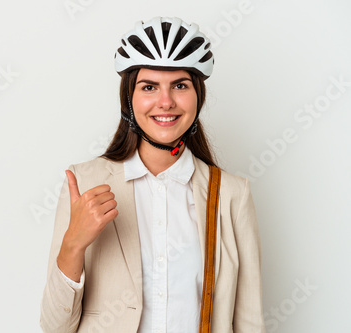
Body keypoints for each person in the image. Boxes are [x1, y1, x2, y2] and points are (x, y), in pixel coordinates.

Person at [40, 17, 265, 333]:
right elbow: (54, 327)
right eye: (149, 87)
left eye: (180, 85)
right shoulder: (86, 182)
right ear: (129, 99)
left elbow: (249, 321)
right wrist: (73, 245)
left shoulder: (231, 194)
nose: (166, 102)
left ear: (197, 96)